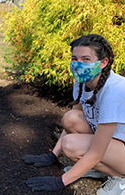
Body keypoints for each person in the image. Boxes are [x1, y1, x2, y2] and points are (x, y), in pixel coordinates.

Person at [23, 34, 125, 195]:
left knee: (71, 145)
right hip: (114, 143)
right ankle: (100, 169)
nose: (78, 64)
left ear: (103, 62)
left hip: (121, 148)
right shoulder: (83, 81)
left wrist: (60, 182)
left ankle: (120, 178)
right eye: (74, 58)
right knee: (70, 118)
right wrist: (52, 155)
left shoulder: (114, 92)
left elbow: (96, 152)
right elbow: (73, 119)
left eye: (86, 59)